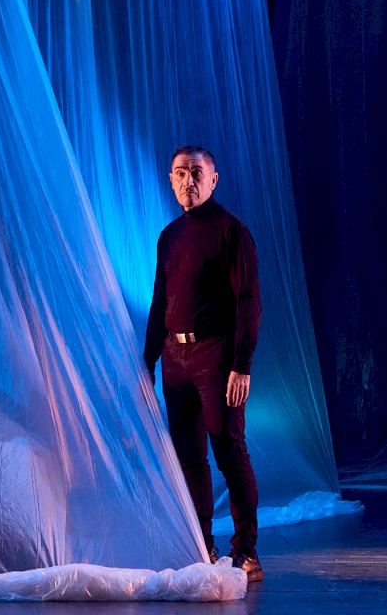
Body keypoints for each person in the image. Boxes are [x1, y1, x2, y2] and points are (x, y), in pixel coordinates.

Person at [144, 146, 263, 582]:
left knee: (229, 452)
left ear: (213, 180)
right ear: (170, 179)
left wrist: (241, 364)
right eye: (180, 173)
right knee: (189, 459)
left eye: (196, 173)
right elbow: (161, 302)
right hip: (175, 360)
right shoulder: (169, 236)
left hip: (216, 358)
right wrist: (147, 362)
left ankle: (245, 551)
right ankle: (203, 549)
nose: (188, 181)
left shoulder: (231, 232)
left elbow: (248, 302)